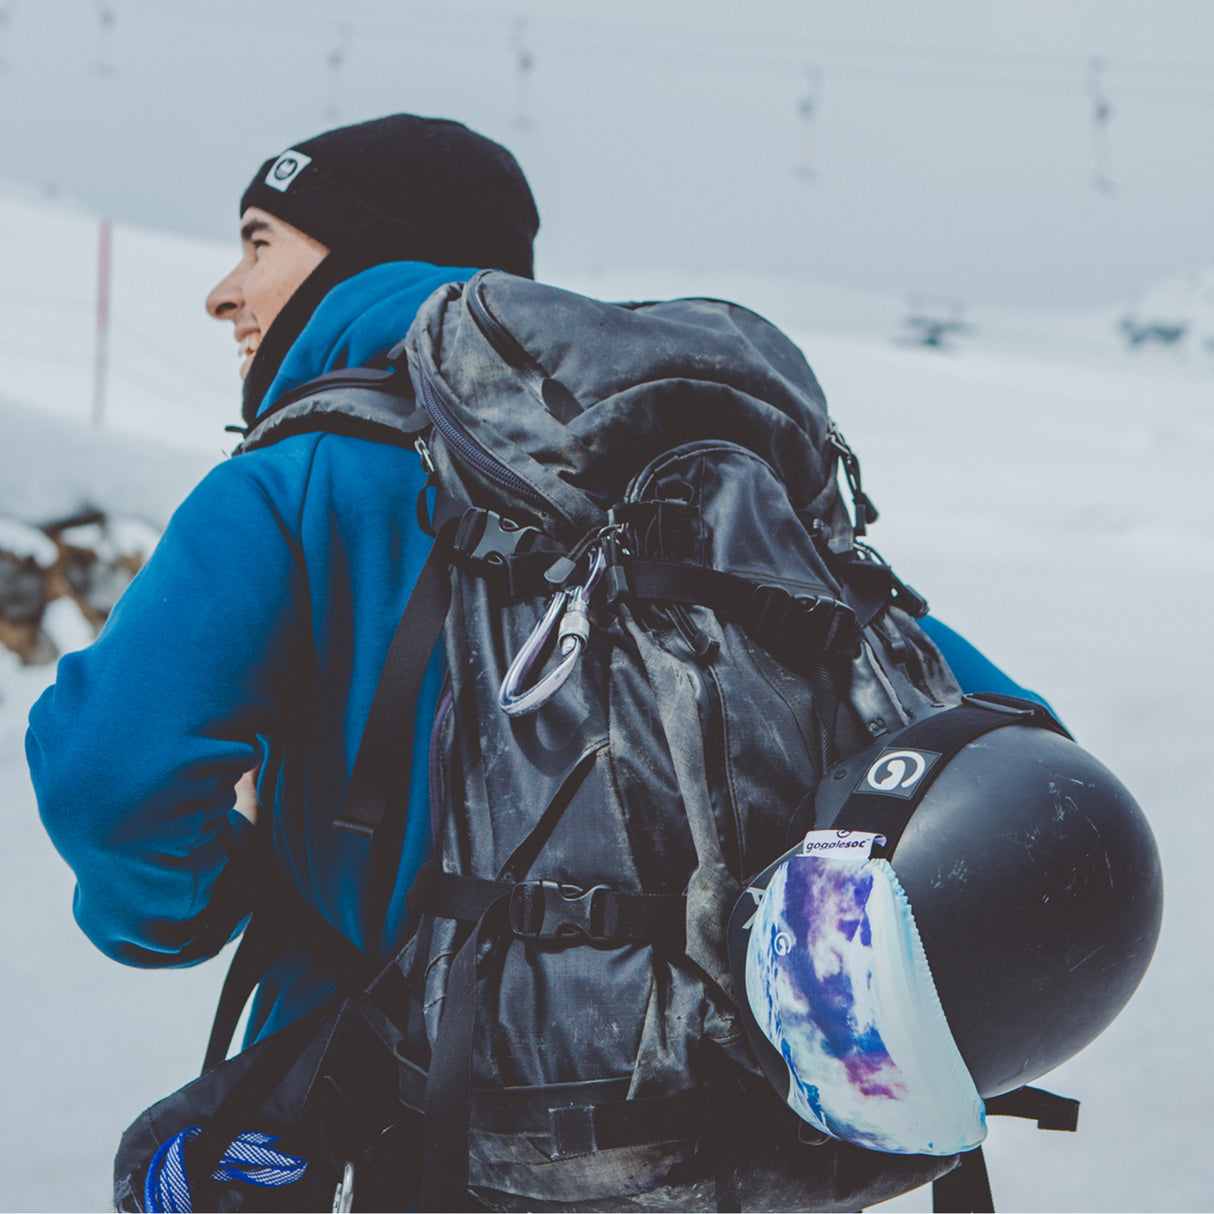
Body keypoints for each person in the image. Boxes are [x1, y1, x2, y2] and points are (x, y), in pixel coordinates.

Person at [27, 113, 1040, 1055]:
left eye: (257, 242)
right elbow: (1005, 750)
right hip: (733, 1117)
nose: (223, 292)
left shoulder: (294, 480)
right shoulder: (700, 478)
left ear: (364, 257)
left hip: (420, 1122)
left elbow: (112, 776)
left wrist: (197, 904)